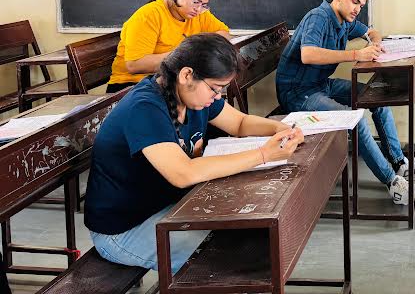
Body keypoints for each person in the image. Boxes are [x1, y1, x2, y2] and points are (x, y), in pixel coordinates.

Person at [85, 33, 303, 273]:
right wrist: (263, 155)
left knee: (259, 236)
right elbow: (183, 173)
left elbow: (239, 123)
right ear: (186, 75)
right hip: (124, 229)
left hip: (171, 205)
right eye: (215, 89)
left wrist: (281, 129)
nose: (217, 97)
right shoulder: (145, 107)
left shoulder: (193, 96)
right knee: (235, 256)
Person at [276, 0, 415, 206]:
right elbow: (308, 54)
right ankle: (393, 183)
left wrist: (375, 44)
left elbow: (372, 32)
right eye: (355, 2)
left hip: (320, 84)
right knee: (356, 120)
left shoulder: (345, 21)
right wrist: (356, 55)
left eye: (361, 5)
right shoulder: (318, 17)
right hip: (298, 93)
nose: (357, 9)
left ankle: (400, 163)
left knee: (376, 97)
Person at [108, 0, 230, 92]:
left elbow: (224, 33)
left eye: (203, 5)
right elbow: (134, 65)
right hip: (132, 85)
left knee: (210, 94)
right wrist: (185, 54)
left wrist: (200, 46)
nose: (198, 9)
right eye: (195, 1)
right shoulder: (149, 15)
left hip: (168, 80)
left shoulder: (198, 14)